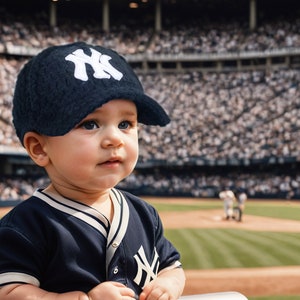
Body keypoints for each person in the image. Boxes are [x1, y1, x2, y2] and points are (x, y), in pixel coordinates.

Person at [0, 42, 185, 300]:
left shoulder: (145, 215)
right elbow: (9, 292)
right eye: (90, 124)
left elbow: (172, 267)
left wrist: (169, 284)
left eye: (125, 123)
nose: (114, 138)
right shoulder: (26, 225)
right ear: (39, 147)